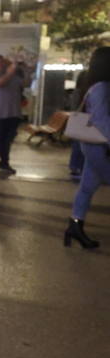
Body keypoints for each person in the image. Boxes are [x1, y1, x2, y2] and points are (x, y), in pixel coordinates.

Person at [66, 45, 110, 249]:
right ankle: (75, 226)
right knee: (88, 186)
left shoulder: (96, 85)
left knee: (87, 187)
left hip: (94, 146)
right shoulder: (101, 88)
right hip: (100, 146)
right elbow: (102, 120)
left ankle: (75, 226)